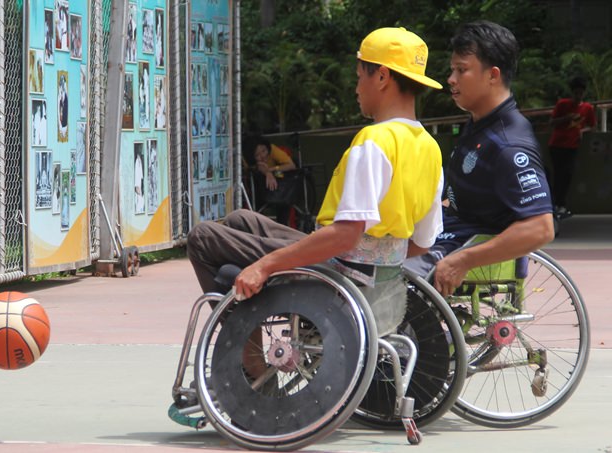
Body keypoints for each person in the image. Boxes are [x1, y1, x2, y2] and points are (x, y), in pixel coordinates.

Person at [188, 27, 444, 350]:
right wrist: (379, 254)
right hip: (375, 277)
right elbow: (421, 243)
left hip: (338, 274)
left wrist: (264, 266)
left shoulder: (375, 143)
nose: (356, 88)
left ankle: (248, 355)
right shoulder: (430, 149)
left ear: (381, 77)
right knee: (242, 219)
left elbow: (345, 235)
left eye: (359, 77)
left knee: (202, 239)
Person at [403, 21, 555, 297]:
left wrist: (464, 260)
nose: (451, 79)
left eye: (462, 70)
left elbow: (541, 228)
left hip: (458, 247)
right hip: (444, 235)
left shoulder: (509, 145)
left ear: (492, 75)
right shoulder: (479, 125)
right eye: (452, 70)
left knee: (381, 279)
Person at [547, 76, 596, 218]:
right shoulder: (562, 104)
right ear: (572, 92)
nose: (578, 95)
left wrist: (581, 131)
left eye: (580, 93)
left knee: (567, 175)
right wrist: (566, 118)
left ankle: (561, 205)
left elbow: (592, 126)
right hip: (557, 144)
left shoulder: (588, 108)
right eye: (576, 92)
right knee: (558, 174)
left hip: (572, 146)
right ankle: (555, 204)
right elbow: (552, 122)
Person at [247, 137, 297, 225]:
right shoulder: (252, 163)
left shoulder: (273, 150)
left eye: (264, 151)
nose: (262, 156)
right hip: (259, 188)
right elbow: (257, 168)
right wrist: (266, 173)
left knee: (284, 203)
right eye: (257, 155)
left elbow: (291, 165)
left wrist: (271, 170)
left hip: (280, 187)